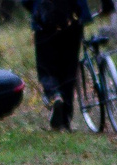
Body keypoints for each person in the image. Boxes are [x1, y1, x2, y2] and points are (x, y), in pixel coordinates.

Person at [30, 0, 90, 130]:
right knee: (69, 70)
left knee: (46, 68)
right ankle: (66, 117)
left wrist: (34, 12)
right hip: (72, 22)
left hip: (44, 25)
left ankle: (55, 95)